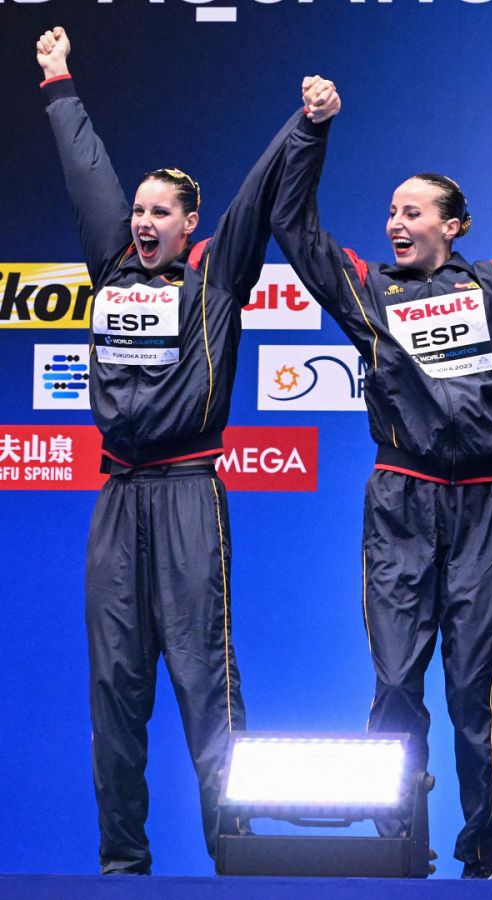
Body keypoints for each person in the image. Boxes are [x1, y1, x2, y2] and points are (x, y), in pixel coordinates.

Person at [269, 69, 492, 879]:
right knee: (394, 681)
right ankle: (401, 836)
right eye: (391, 212)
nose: (395, 222)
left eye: (412, 212)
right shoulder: (366, 289)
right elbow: (293, 225)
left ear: (452, 227)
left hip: (487, 504)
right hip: (401, 501)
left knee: (474, 687)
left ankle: (481, 848)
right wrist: (312, 130)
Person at [36, 26, 299, 875]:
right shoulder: (111, 269)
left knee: (205, 685)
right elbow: (88, 175)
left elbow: (257, 199)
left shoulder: (217, 282)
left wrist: (303, 128)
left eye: (161, 212)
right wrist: (58, 83)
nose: (144, 221)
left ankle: (238, 858)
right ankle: (122, 865)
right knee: (114, 686)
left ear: (191, 224)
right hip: (118, 499)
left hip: (190, 494)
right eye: (139, 211)